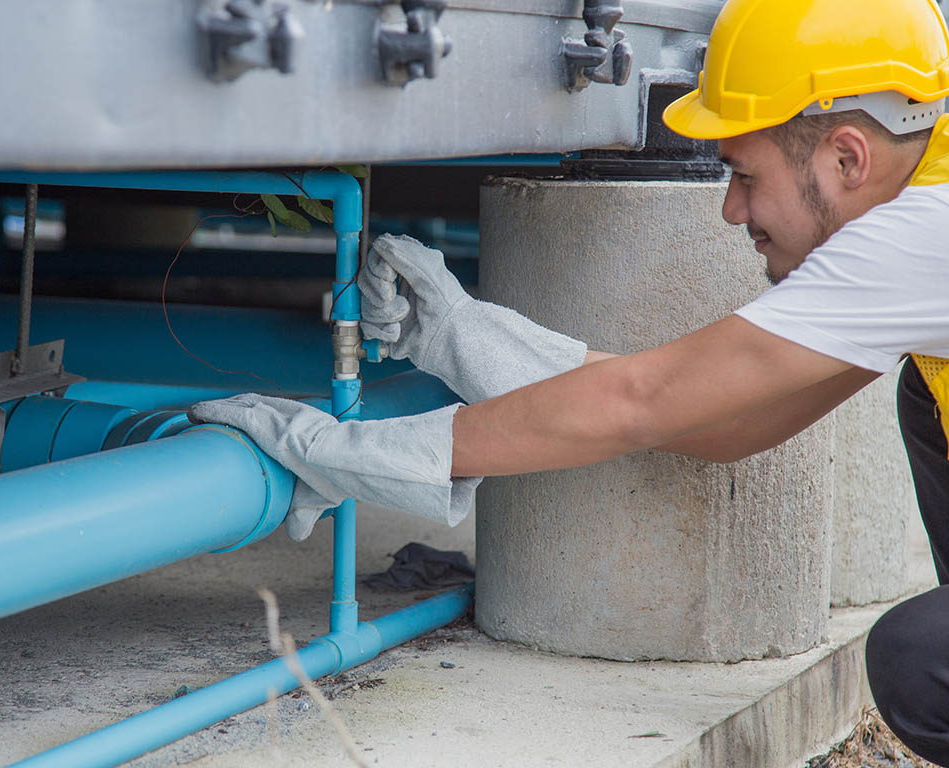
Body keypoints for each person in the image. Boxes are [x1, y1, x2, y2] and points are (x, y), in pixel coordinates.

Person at [190, 0, 949, 762]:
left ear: (847, 158)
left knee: (919, 662)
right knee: (925, 398)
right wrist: (474, 341)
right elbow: (729, 421)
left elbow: (642, 402)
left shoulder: (921, 232)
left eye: (745, 174)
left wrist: (360, 450)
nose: (730, 209)